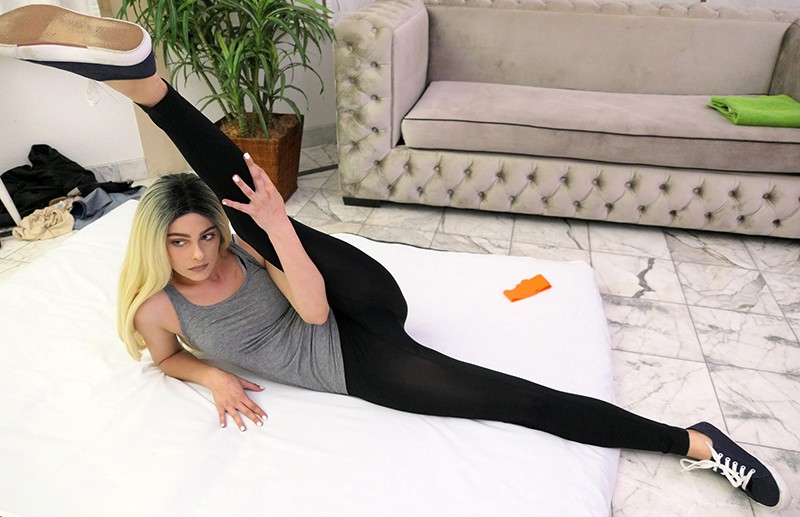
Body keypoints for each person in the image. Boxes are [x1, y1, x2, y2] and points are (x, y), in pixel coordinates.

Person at [0, 4, 790, 510]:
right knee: (510, 398)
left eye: (205, 235)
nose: (201, 252)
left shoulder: (237, 246)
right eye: (180, 243)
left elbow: (312, 305)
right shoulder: (156, 308)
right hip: (356, 362)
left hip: (348, 296)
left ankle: (153, 92)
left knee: (256, 208)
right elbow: (168, 358)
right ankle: (694, 440)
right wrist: (212, 375)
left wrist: (271, 226)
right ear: (154, 250)